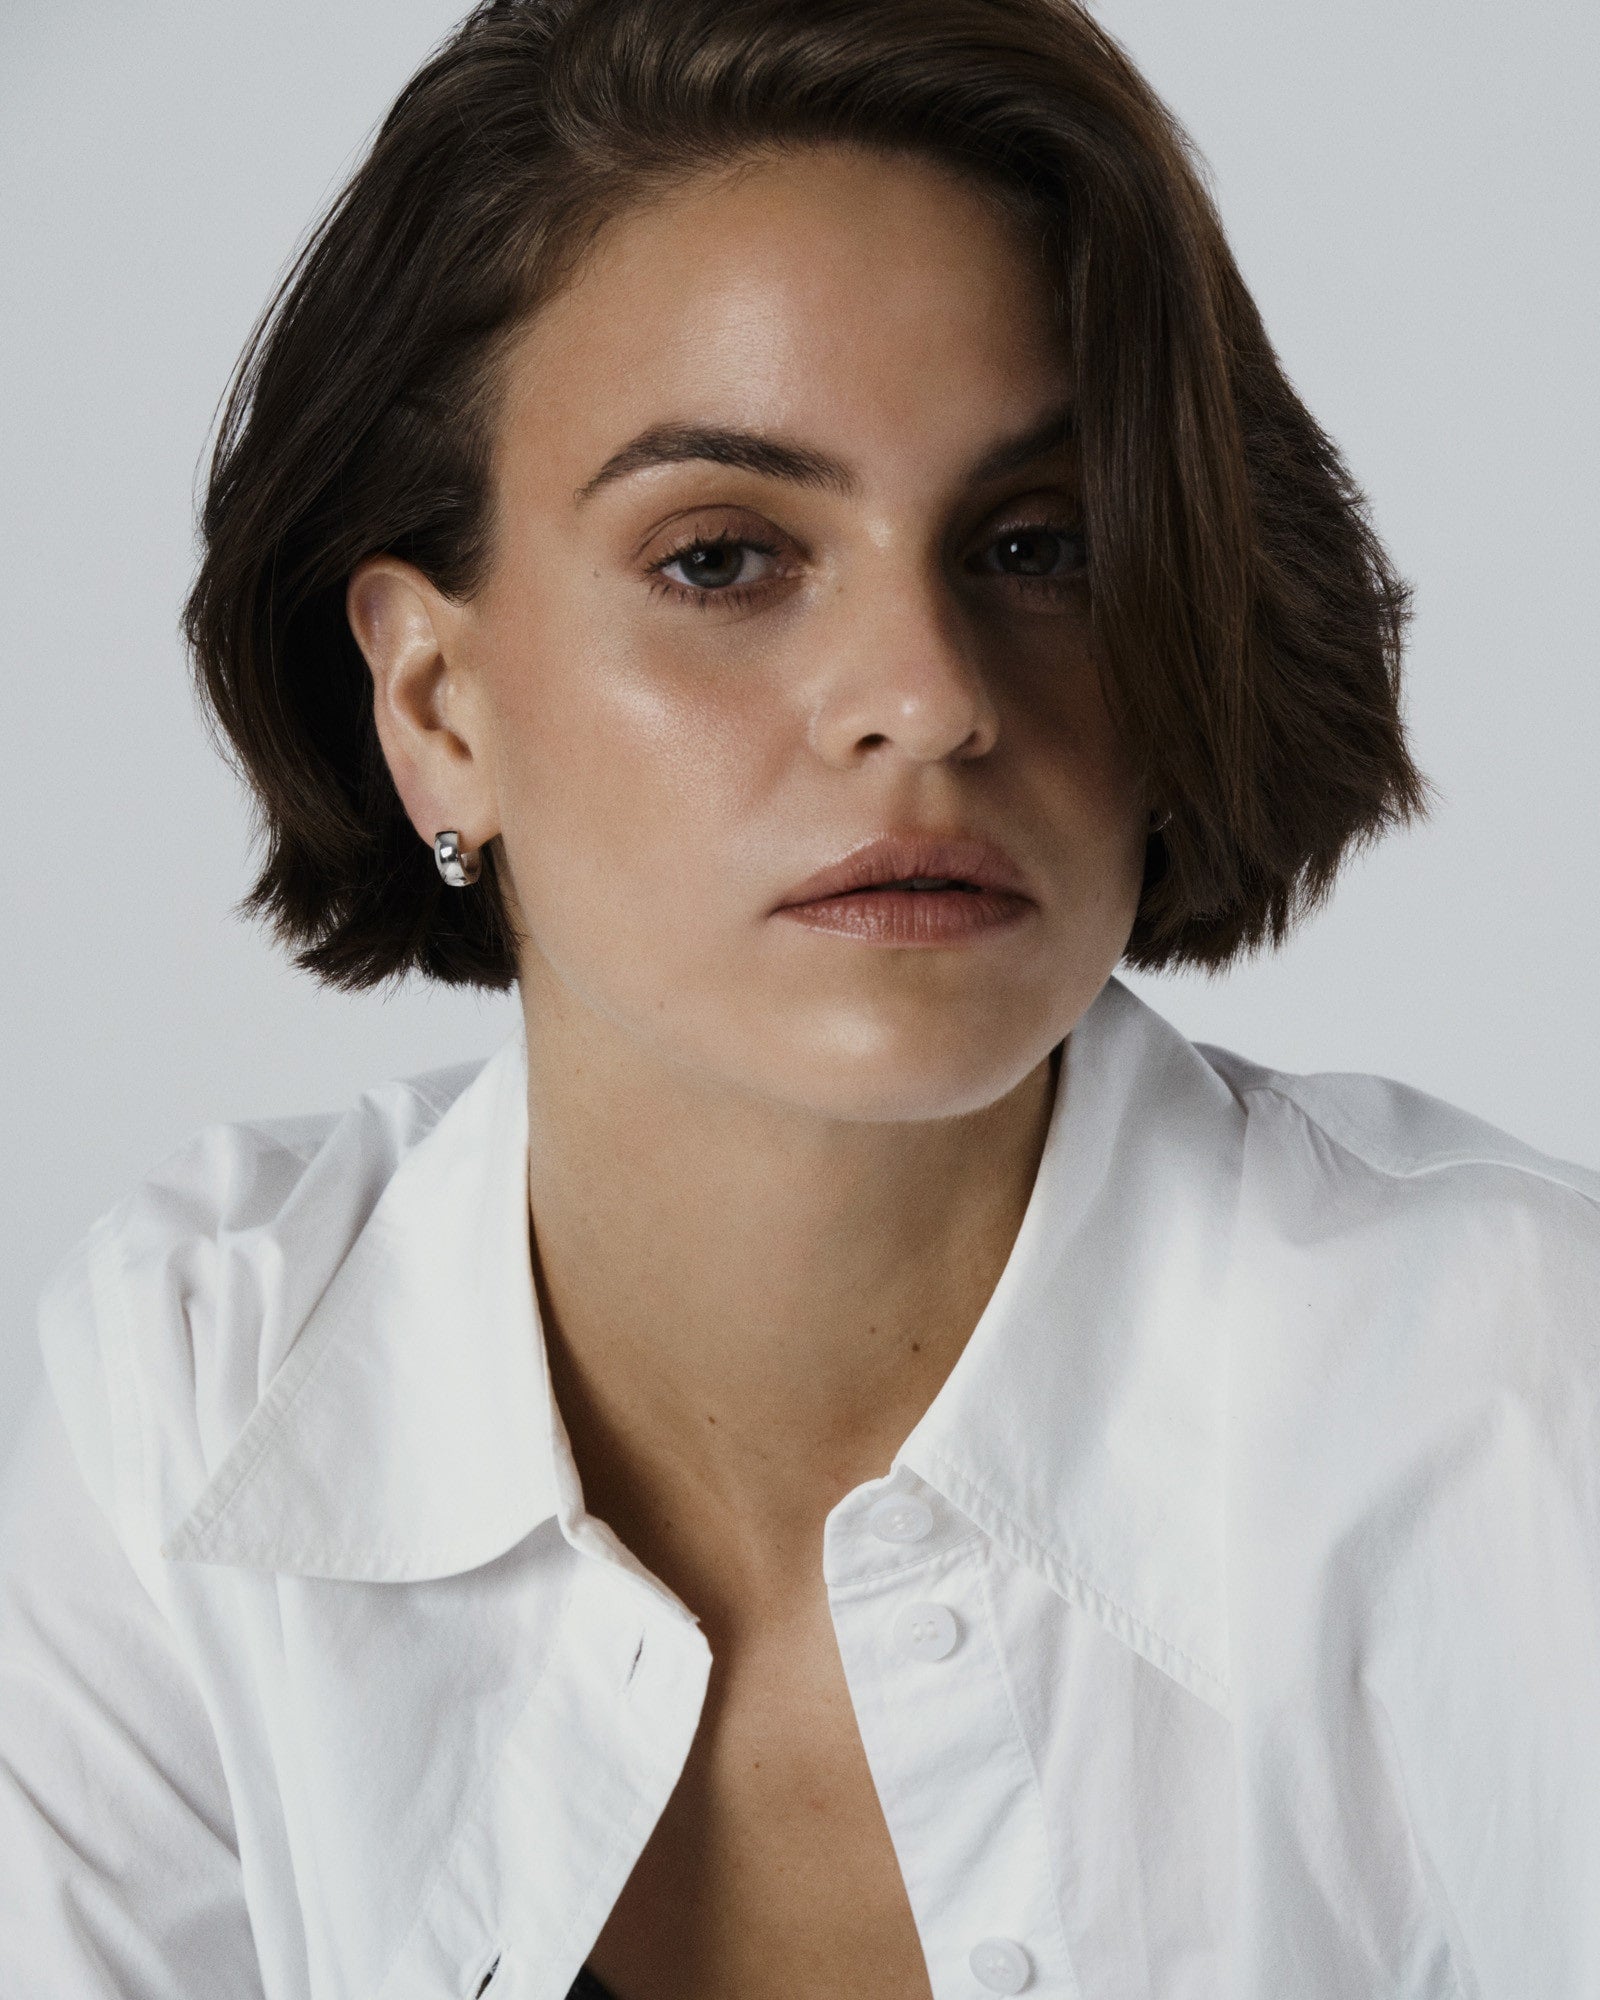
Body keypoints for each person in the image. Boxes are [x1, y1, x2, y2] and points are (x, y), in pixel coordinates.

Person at [2, 1, 1596, 1995]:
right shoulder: (195, 1398)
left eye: (1038, 545)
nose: (926, 696)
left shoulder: (1521, 1410)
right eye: (724, 559)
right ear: (434, 704)